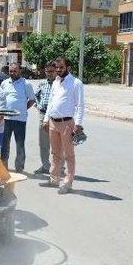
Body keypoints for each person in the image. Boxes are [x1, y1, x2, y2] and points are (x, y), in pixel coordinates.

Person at [42, 57, 85, 194]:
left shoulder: (76, 83)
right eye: (57, 68)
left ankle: (68, 183)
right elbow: (50, 102)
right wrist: (46, 119)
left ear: (68, 68)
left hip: (67, 123)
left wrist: (78, 124)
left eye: (61, 67)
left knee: (69, 155)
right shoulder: (55, 82)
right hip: (53, 122)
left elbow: (80, 105)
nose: (58, 70)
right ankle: (54, 179)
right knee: (55, 153)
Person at [0, 63, 35, 172]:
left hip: (20, 119)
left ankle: (19, 168)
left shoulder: (26, 84)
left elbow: (32, 100)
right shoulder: (4, 83)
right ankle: (3, 166)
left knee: (20, 144)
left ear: (20, 71)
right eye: (11, 71)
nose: (12, 73)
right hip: (5, 119)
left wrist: (23, 109)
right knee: (4, 144)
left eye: (15, 71)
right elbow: (1, 99)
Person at [34, 62, 57, 173]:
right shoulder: (42, 83)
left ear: (56, 71)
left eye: (52, 71)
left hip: (55, 116)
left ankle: (58, 167)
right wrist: (38, 106)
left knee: (57, 143)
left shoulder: (60, 83)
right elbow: (36, 96)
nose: (49, 74)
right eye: (47, 71)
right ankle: (45, 166)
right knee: (43, 143)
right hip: (43, 115)